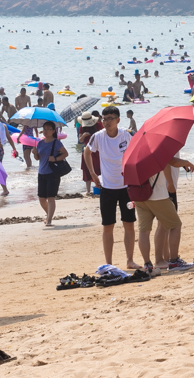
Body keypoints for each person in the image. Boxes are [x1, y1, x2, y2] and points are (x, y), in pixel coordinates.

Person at [83, 107, 140, 270]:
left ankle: (130, 260)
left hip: (126, 187)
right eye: (104, 118)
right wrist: (93, 174)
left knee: (129, 224)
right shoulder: (98, 137)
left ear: (118, 120)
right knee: (108, 226)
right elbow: (87, 152)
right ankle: (109, 263)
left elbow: (138, 150)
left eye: (110, 118)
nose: (106, 122)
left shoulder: (126, 134)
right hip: (107, 187)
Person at [136, 157, 194, 273]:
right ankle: (174, 261)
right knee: (175, 225)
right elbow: (169, 161)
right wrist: (186, 163)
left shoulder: (134, 153)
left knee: (144, 230)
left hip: (139, 194)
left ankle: (147, 264)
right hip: (157, 194)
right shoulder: (154, 150)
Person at [35, 120, 67, 227]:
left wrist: (55, 158)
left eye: (49, 129)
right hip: (41, 172)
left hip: (52, 173)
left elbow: (65, 154)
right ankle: (49, 214)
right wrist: (34, 153)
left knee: (51, 197)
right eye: (44, 129)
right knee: (41, 198)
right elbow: (38, 158)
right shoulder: (40, 143)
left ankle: (49, 220)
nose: (46, 131)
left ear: (53, 131)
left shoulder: (56, 142)